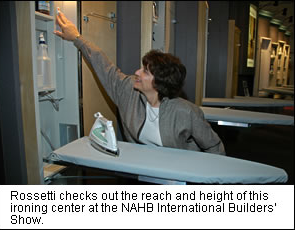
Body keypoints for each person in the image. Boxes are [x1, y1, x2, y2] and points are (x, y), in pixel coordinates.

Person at [54, 11, 226, 155]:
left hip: (181, 176)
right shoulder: (127, 91)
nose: (136, 72)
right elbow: (104, 65)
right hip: (144, 173)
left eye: (145, 71)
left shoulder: (187, 112)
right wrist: (77, 38)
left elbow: (214, 146)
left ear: (159, 83)